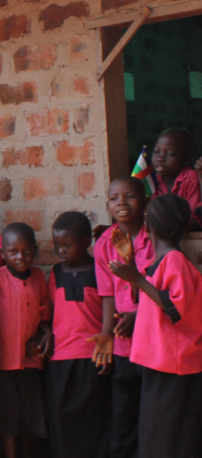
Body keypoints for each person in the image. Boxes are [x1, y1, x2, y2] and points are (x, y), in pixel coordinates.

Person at [108, 194, 202, 458]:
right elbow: (150, 301)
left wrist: (137, 278)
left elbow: (175, 309)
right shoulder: (158, 261)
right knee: (156, 433)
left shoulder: (175, 260)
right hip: (159, 361)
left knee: (171, 437)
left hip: (175, 364)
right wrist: (131, 268)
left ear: (148, 224)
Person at [93, 177, 153, 458]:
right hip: (123, 343)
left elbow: (162, 290)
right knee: (123, 412)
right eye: (114, 198)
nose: (122, 203)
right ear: (108, 204)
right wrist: (107, 334)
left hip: (153, 341)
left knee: (152, 412)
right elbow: (107, 294)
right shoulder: (104, 243)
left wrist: (138, 315)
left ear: (145, 202)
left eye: (130, 196)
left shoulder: (155, 237)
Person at [45, 211, 110, 458]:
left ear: (86, 242)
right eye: (57, 245)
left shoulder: (99, 270)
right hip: (61, 359)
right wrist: (46, 332)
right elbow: (50, 311)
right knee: (61, 419)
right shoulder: (56, 273)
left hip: (93, 357)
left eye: (67, 245)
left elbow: (109, 310)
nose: (61, 250)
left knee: (94, 419)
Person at [0, 223, 49, 457]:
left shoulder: (39, 276)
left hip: (29, 359)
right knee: (8, 419)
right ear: (3, 253)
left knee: (30, 417)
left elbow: (43, 313)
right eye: (13, 252)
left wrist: (45, 335)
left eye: (27, 251)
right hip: (3, 361)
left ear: (35, 250)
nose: (21, 257)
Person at [151, 128, 201, 221]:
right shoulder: (152, 181)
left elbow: (193, 218)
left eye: (170, 154)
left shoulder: (191, 177)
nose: (160, 158)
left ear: (187, 159)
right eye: (157, 151)